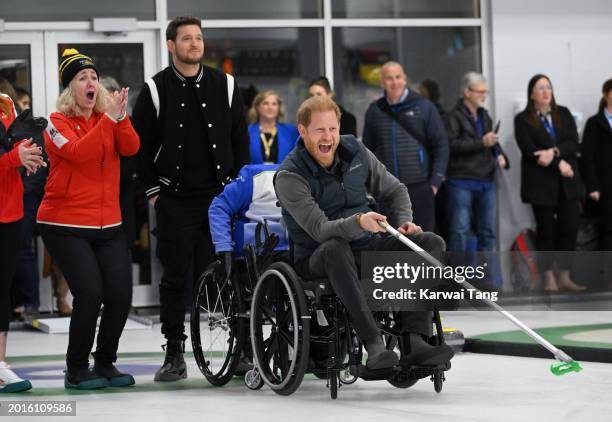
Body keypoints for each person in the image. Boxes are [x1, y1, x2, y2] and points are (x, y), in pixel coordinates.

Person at [275, 96, 454, 371]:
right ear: (302, 131)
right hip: (316, 256)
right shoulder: (290, 175)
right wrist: (358, 221)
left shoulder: (355, 150)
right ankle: (373, 345)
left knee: (430, 242)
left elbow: (396, 190)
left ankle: (415, 341)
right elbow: (320, 230)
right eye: (320, 130)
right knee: (335, 246)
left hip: (366, 244)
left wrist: (405, 222)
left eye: (332, 129)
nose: (328, 137)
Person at [132, 16, 249, 382]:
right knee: (175, 276)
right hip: (175, 198)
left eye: (198, 38)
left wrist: (238, 187)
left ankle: (241, 348)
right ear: (171, 45)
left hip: (221, 197)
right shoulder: (154, 89)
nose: (194, 44)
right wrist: (154, 193)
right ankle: (173, 353)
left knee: (233, 271)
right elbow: (140, 147)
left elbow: (239, 140)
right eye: (186, 39)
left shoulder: (226, 85)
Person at [37, 48, 140, 389]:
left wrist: (121, 118)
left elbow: (131, 148)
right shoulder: (56, 122)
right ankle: (76, 367)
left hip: (108, 223)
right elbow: (80, 154)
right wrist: (108, 122)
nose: (91, 82)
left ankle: (106, 362)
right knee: (90, 292)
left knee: (121, 294)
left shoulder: (107, 119)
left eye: (94, 77)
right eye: (82, 78)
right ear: (70, 89)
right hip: (63, 223)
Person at [514, 74, 585, 292]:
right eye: (540, 88)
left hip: (567, 183)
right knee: (546, 232)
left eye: (548, 87)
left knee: (569, 228)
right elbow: (530, 151)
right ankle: (548, 278)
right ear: (532, 94)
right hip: (541, 186)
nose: (546, 91)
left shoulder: (563, 113)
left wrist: (554, 153)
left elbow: (573, 142)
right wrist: (558, 163)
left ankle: (564, 275)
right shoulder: (523, 119)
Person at [362, 61, 449, 232]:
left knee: (422, 242)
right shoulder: (374, 110)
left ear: (405, 79)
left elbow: (441, 145)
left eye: (398, 77)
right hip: (387, 190)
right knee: (390, 243)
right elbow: (366, 151)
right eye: (389, 78)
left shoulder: (424, 107)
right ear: (382, 82)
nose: (394, 82)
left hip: (420, 188)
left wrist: (435, 183)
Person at [0, 93, 43, 393]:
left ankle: (0, 365)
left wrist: (27, 154)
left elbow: (13, 145)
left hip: (9, 210)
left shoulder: (4, 102)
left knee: (2, 287)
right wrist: (15, 157)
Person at [445, 72, 509, 254]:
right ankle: (459, 280)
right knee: (460, 232)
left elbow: (491, 141)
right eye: (480, 91)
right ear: (467, 92)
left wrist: (499, 155)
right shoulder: (453, 117)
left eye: (485, 92)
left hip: (485, 180)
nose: (484, 96)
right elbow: (451, 146)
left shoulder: (484, 115)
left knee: (488, 233)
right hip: (461, 180)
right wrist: (482, 142)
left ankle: (486, 279)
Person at [581, 78, 612, 287]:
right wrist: (592, 186)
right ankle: (606, 278)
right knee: (607, 231)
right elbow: (587, 157)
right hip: (604, 185)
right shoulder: (595, 123)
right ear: (607, 94)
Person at [247, 90, 298, 164]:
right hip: (253, 175)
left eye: (274, 104)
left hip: (283, 175)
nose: (270, 107)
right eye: (265, 103)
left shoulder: (292, 132)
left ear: (279, 108)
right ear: (257, 107)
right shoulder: (247, 132)